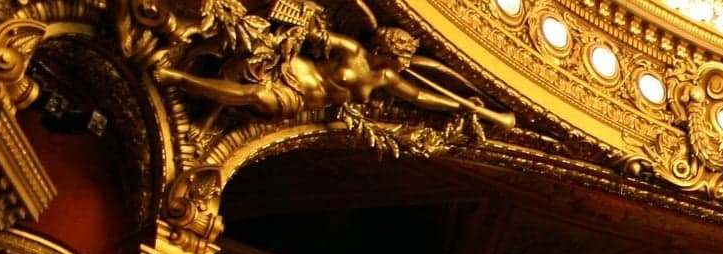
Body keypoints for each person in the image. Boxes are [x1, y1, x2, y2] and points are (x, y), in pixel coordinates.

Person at [156, 25, 515, 128]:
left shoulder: (385, 81)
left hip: (303, 102)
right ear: (386, 46)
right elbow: (315, 35)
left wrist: (460, 105)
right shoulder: (354, 51)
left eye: (408, 56)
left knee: (255, 101)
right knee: (253, 95)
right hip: (291, 76)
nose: (405, 61)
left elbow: (419, 97)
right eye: (402, 53)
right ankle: (179, 78)